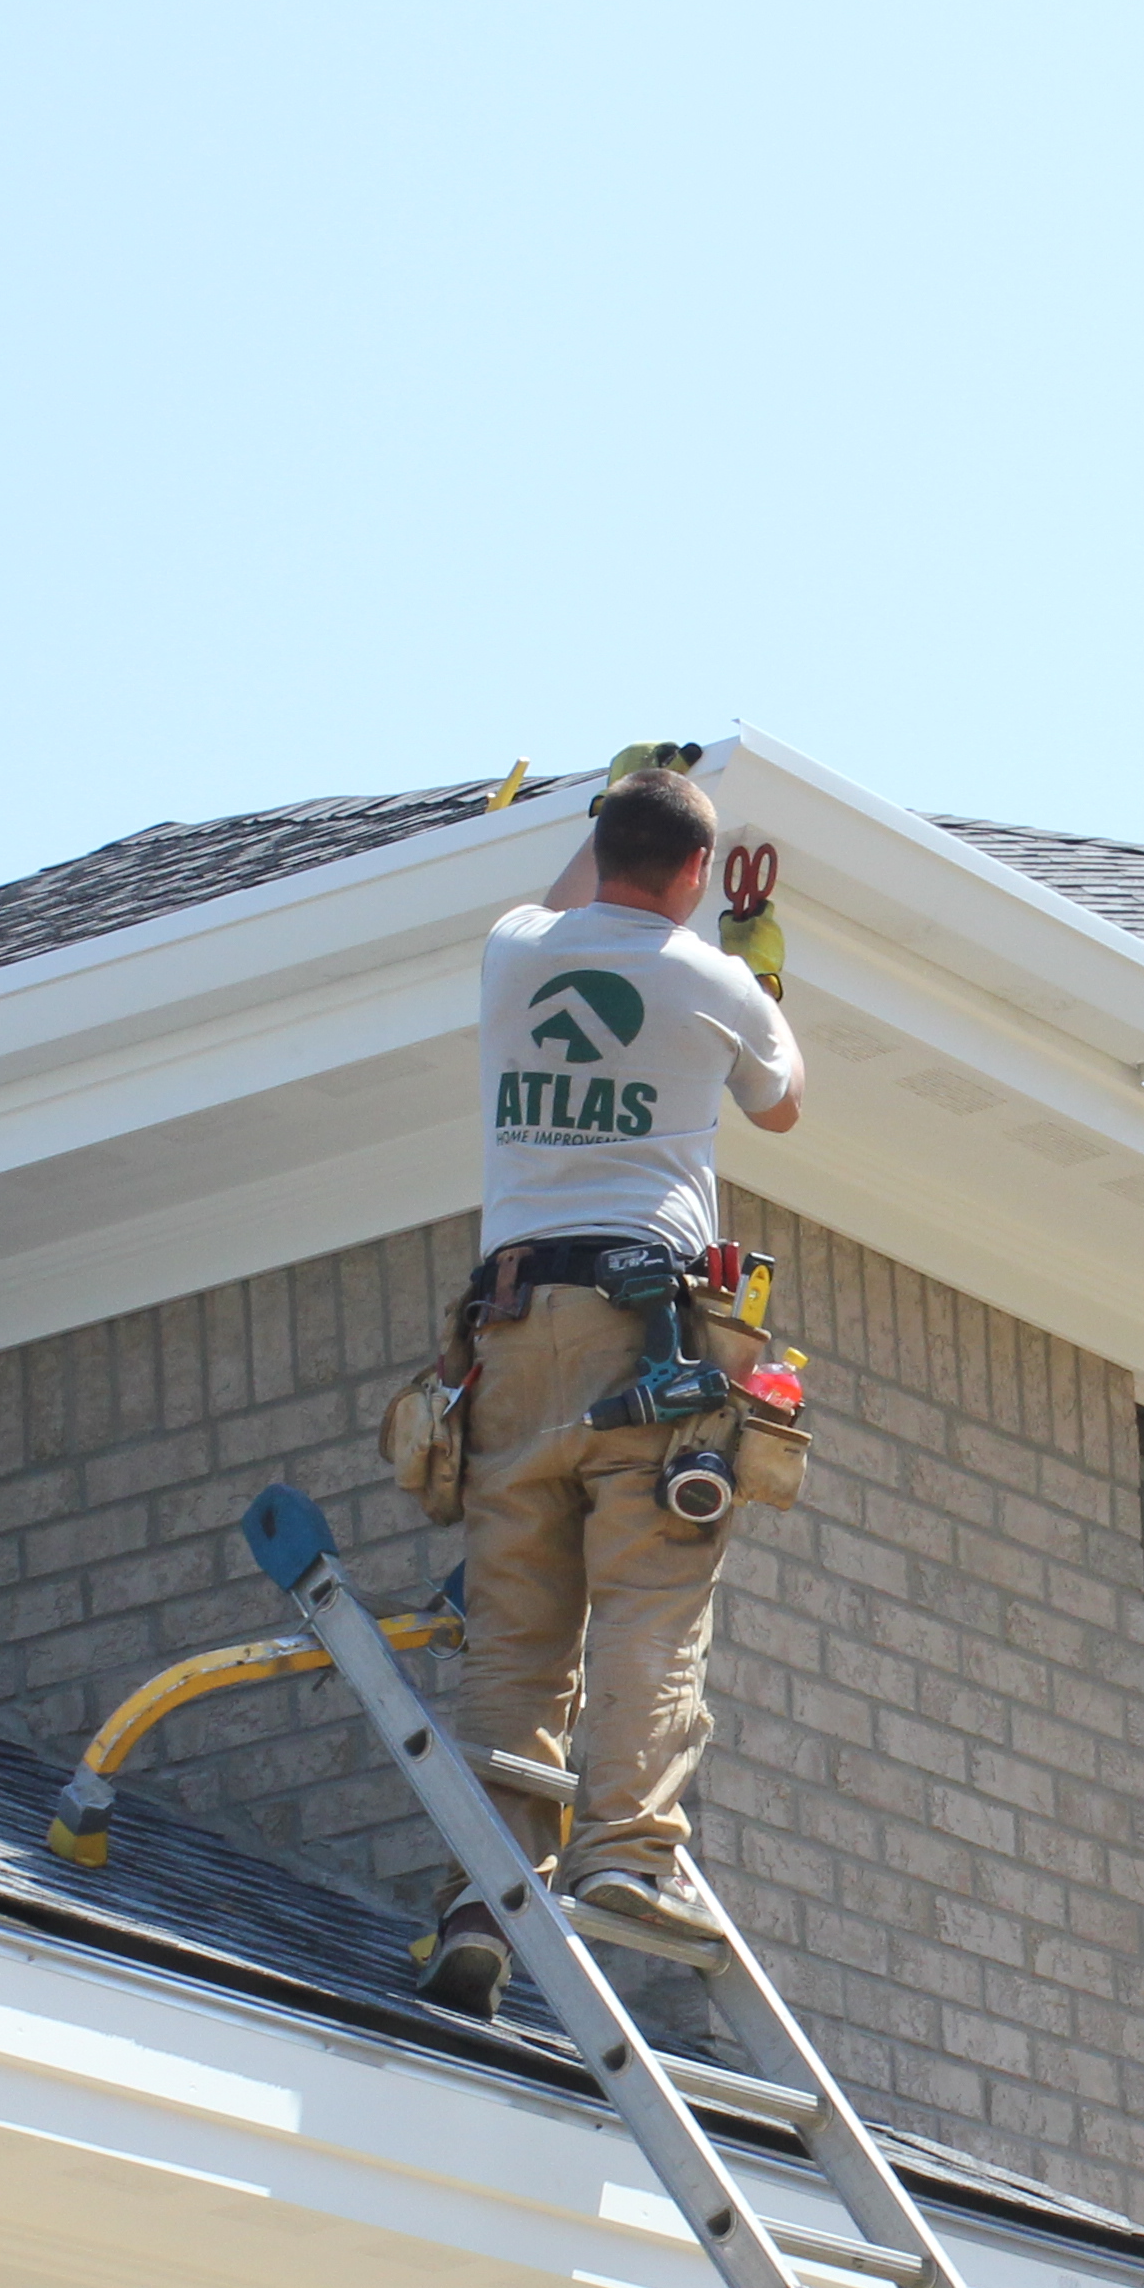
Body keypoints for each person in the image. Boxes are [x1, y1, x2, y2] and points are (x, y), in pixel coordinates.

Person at [418, 761, 801, 2012]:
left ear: (602, 843)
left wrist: (619, 812)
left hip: (516, 1335)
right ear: (697, 876)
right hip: (652, 1339)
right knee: (649, 1596)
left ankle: (488, 1888)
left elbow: (562, 902)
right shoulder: (716, 978)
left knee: (518, 1629)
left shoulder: (515, 953)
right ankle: (629, 1855)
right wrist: (757, 966)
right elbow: (781, 1107)